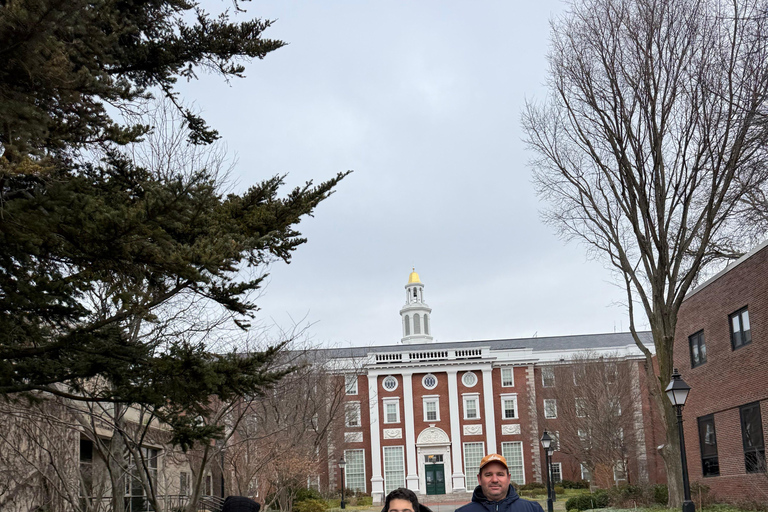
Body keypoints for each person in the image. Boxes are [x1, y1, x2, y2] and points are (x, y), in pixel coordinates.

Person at [456, 454, 544, 512]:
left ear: (508, 478)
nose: (494, 480)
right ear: (479, 479)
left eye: (500, 474)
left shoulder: (533, 509)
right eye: (488, 474)